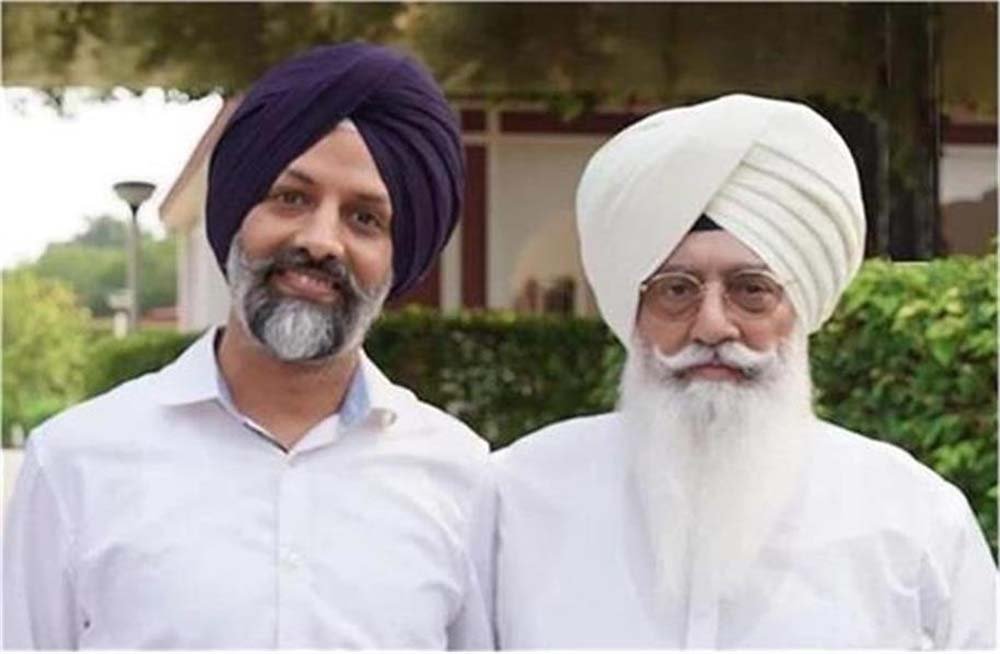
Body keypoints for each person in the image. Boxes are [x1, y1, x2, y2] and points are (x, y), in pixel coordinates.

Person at [3, 42, 494, 650]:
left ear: (401, 258)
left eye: (365, 219)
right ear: (238, 213)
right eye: (292, 198)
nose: (321, 241)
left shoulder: (462, 478)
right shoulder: (75, 462)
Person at [492, 94, 996, 649]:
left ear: (799, 308)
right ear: (633, 312)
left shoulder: (915, 519)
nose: (712, 326)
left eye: (751, 290)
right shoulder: (517, 498)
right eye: (675, 290)